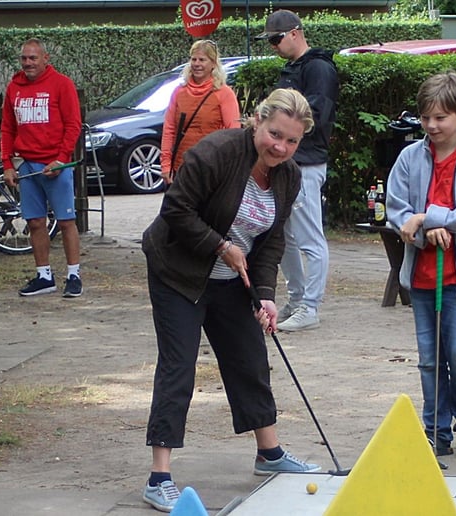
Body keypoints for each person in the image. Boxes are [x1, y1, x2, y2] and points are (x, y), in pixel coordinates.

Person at [139, 88, 320, 513]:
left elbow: (272, 240)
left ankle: (269, 454)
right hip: (178, 273)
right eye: (275, 134)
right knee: (178, 366)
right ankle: (159, 476)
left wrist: (266, 297)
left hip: (230, 280)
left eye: (291, 141)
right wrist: (221, 246)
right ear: (257, 121)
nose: (281, 146)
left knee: (249, 359)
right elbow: (176, 211)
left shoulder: (288, 175)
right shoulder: (216, 152)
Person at [386, 71, 456, 461]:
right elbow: (396, 211)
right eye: (425, 118)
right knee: (430, 359)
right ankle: (436, 431)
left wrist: (426, 217)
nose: (431, 126)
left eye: (440, 118)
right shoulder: (408, 157)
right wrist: (421, 229)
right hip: (421, 277)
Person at [256, 9, 339, 332]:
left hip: (305, 164)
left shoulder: (318, 68)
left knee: (308, 237)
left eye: (276, 39)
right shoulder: (295, 68)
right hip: (289, 162)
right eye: (270, 42)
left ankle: (310, 305)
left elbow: (317, 116)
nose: (273, 46)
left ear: (295, 33)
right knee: (285, 235)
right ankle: (298, 299)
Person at [0, 38, 84, 298]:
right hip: (28, 166)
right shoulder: (14, 87)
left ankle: (73, 275)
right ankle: (44, 276)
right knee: (35, 222)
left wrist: (61, 159)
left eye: (33, 58)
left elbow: (73, 125)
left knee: (66, 221)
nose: (28, 63)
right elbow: (7, 128)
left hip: (56, 165)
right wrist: (7, 164)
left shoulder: (62, 84)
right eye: (24, 58)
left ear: (45, 59)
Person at [160, 39, 242, 184]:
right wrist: (166, 165)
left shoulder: (224, 93)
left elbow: (233, 133)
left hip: (211, 168)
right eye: (194, 59)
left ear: (213, 64)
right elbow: (169, 130)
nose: (197, 64)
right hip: (182, 167)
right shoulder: (179, 92)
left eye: (202, 60)